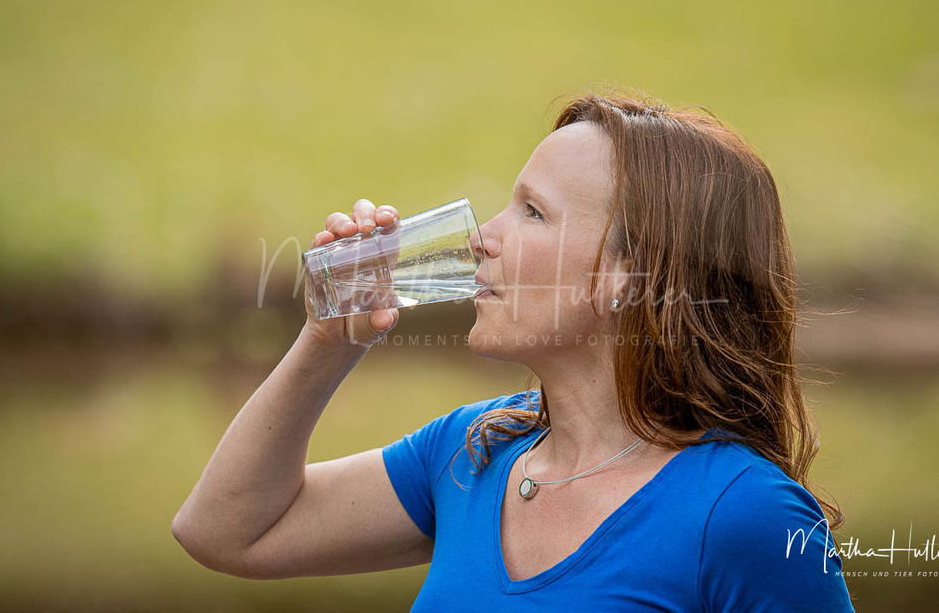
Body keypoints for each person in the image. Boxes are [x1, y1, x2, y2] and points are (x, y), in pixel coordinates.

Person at [172, 92, 856, 611]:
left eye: (532, 212)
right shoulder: (472, 451)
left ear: (630, 276)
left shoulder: (745, 516)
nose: (482, 236)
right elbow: (226, 531)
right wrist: (327, 341)